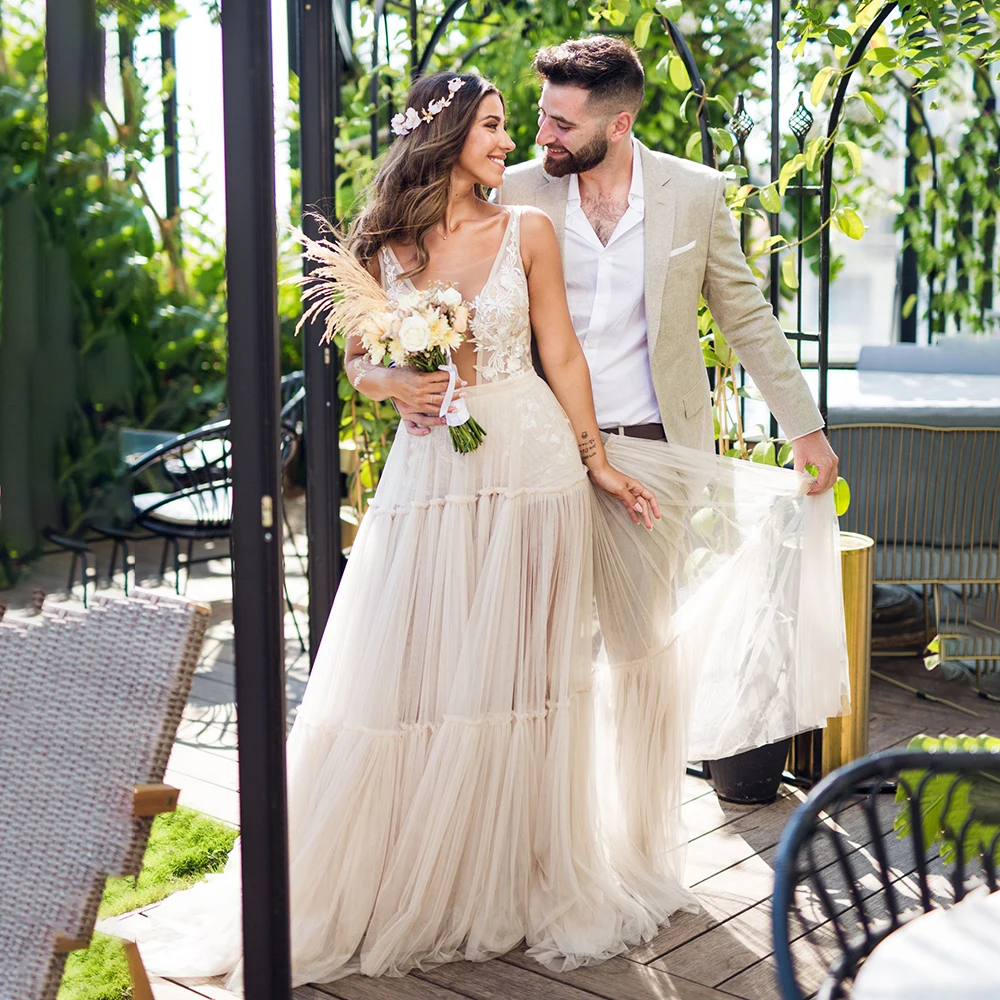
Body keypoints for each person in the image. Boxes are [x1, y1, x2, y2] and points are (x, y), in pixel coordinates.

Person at [134, 70, 849, 988]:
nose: (518, 139)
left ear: (614, 120)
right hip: (432, 476)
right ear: (447, 140)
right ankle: (421, 861)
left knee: (542, 672)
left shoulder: (544, 226)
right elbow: (357, 357)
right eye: (500, 124)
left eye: (534, 122)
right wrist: (398, 383)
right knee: (420, 665)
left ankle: (552, 861)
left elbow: (567, 352)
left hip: (541, 462)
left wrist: (597, 461)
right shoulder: (396, 240)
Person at [394, 36, 840, 494]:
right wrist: (410, 388)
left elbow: (745, 317)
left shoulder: (694, 194)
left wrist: (804, 428)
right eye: (544, 114)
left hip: (659, 446)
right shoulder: (513, 191)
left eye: (563, 124)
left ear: (618, 125)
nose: (542, 134)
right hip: (542, 449)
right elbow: (449, 304)